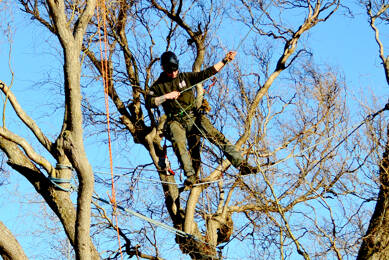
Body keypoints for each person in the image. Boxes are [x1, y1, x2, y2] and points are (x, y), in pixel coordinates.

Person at [146, 51, 258, 186]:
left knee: (216, 136)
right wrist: (166, 96)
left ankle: (241, 164)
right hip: (176, 121)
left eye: (175, 71)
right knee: (179, 144)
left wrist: (224, 60)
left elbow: (207, 73)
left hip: (194, 116)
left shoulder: (185, 77)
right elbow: (149, 102)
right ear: (164, 69)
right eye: (170, 72)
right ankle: (191, 176)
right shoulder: (158, 86)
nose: (174, 74)